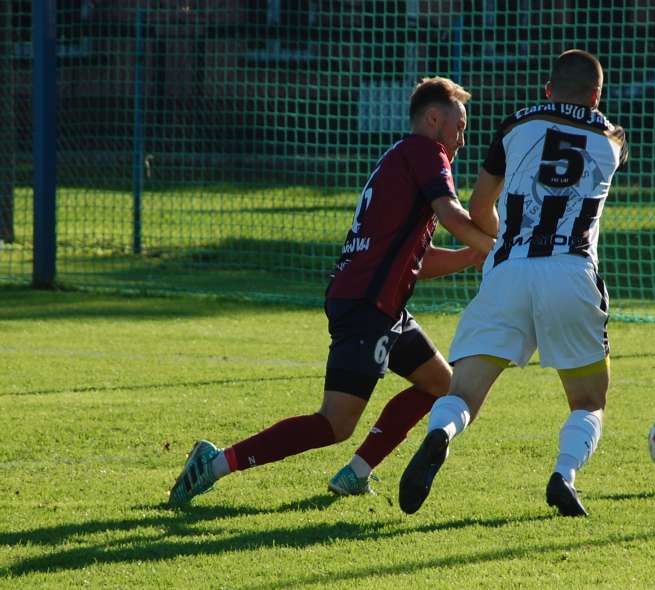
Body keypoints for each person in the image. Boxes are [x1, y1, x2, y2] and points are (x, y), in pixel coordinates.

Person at [168, 77, 495, 506]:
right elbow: (452, 213)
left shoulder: (401, 158)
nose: (462, 139)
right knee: (334, 423)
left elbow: (419, 260)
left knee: (443, 384)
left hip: (381, 306)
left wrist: (472, 257)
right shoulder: (426, 152)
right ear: (434, 119)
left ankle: (356, 473)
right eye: (459, 126)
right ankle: (214, 463)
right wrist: (496, 249)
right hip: (365, 306)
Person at [398, 50, 629, 517]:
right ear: (597, 96)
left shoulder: (515, 124)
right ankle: (564, 475)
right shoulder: (614, 139)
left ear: (547, 89)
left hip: (508, 268)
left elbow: (480, 208)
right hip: (571, 270)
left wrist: (508, 240)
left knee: (462, 393)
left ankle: (440, 435)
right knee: (588, 400)